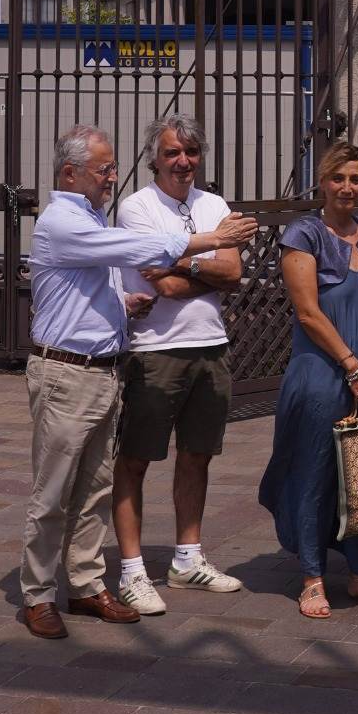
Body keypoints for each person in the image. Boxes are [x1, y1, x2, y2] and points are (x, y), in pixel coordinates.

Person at [21, 126, 255, 640]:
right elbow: (141, 251)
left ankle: (85, 585)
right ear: (70, 173)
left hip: (100, 369)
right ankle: (37, 594)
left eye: (111, 167)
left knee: (94, 489)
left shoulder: (90, 217)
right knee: (53, 491)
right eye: (104, 168)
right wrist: (214, 241)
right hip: (67, 372)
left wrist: (123, 304)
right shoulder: (63, 221)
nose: (112, 176)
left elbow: (93, 287)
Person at [258, 141, 358, 619]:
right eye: (338, 178)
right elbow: (308, 312)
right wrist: (351, 365)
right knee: (315, 474)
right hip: (322, 375)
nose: (347, 187)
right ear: (322, 182)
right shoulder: (304, 234)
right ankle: (312, 578)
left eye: (356, 178)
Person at [113, 115, 246, 614]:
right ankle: (132, 570)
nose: (183, 161)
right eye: (172, 152)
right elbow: (161, 284)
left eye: (190, 152)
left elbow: (232, 273)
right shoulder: (137, 208)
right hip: (156, 350)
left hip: (210, 345)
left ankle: (187, 560)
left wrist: (182, 261)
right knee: (135, 459)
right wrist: (204, 263)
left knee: (197, 455)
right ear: (155, 158)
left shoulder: (214, 205)